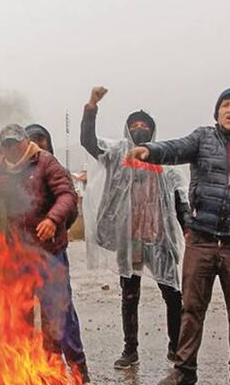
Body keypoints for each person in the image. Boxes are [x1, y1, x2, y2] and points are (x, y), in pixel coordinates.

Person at [127, 88, 230, 385]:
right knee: (192, 308)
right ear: (216, 114)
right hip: (201, 240)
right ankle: (185, 368)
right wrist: (149, 150)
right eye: (224, 105)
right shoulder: (202, 139)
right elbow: (175, 148)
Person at [0, 124, 96, 385]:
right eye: (6, 144)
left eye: (15, 142)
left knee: (60, 315)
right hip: (18, 256)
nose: (11, 148)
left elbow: (67, 195)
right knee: (20, 317)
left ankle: (80, 376)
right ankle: (32, 376)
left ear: (25, 142)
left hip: (49, 252)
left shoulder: (44, 162)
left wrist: (52, 219)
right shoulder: (0, 168)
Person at [79, 87, 186, 369]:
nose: (139, 128)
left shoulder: (164, 161)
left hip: (159, 239)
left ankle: (176, 348)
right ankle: (130, 350)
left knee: (173, 294)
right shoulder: (116, 153)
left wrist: (187, 232)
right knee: (129, 295)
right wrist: (91, 107)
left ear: (152, 130)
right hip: (129, 239)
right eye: (134, 125)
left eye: (144, 125)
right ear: (127, 129)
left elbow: (180, 201)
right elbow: (88, 142)